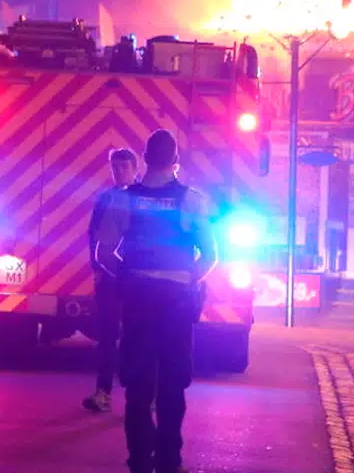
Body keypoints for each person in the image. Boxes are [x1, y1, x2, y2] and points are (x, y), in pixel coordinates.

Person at [95, 130, 217, 473]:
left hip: (137, 299)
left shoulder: (124, 198)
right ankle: (168, 460)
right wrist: (185, 278)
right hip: (176, 302)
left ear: (144, 160)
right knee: (173, 382)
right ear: (175, 160)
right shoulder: (191, 200)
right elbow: (209, 255)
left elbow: (104, 251)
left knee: (137, 383)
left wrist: (128, 276)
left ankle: (138, 460)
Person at [82, 147, 138, 413]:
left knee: (137, 339)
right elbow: (93, 234)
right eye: (115, 167)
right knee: (107, 338)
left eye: (124, 167)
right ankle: (102, 392)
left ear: (135, 169)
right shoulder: (105, 198)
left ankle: (140, 395)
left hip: (136, 280)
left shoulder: (142, 197)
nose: (119, 172)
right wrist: (97, 267)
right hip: (110, 277)